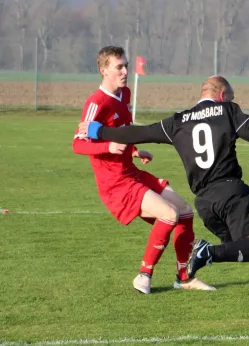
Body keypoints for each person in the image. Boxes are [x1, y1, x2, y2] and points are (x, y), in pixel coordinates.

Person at [76, 75, 249, 317]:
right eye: (230, 97)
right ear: (221, 96)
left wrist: (101, 132)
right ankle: (209, 252)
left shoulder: (178, 121)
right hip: (231, 193)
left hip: (206, 205)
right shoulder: (228, 111)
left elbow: (138, 132)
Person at [72, 46, 215, 294]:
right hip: (116, 184)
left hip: (132, 173)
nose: (125, 71)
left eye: (126, 65)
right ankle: (144, 276)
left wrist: (134, 150)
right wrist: (109, 145)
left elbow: (125, 132)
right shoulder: (96, 102)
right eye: (119, 67)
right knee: (169, 214)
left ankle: (184, 277)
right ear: (104, 70)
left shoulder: (125, 94)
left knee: (184, 212)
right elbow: (77, 144)